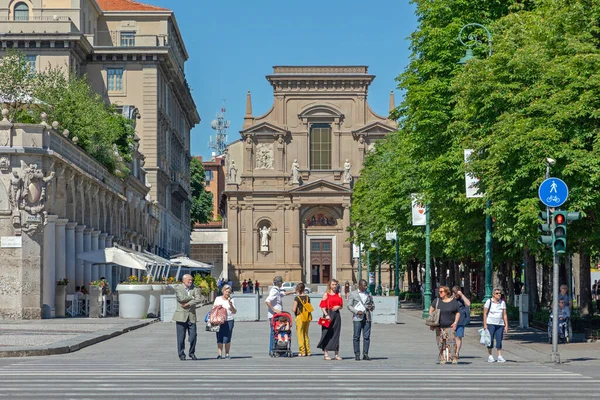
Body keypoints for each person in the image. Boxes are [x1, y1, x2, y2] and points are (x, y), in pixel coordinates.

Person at [172, 274, 202, 361]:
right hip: (181, 316)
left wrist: (189, 303)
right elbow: (181, 298)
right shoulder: (178, 288)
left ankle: (191, 352)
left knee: (193, 336)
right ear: (184, 280)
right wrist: (192, 297)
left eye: (191, 280)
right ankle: (181, 354)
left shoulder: (195, 288)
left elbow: (199, 299)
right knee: (181, 337)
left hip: (191, 315)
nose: (190, 281)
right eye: (189, 280)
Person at [429, 285, 460, 364]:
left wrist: (455, 322)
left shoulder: (453, 302)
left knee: (452, 343)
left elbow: (458, 312)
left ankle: (453, 358)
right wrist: (432, 323)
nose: (440, 293)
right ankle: (442, 358)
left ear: (447, 292)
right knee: (440, 343)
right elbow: (431, 311)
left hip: (450, 325)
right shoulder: (437, 301)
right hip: (439, 326)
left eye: (441, 291)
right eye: (439, 291)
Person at [347, 279, 374, 361]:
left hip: (367, 317)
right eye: (364, 285)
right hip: (357, 317)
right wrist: (356, 311)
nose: (366, 287)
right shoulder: (353, 294)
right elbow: (349, 305)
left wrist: (372, 307)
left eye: (366, 285)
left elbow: (372, 304)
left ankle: (365, 354)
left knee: (367, 337)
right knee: (356, 336)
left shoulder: (368, 294)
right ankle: (357, 354)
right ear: (360, 285)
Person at [317, 279, 343, 361]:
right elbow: (322, 306)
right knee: (326, 333)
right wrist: (326, 315)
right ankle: (326, 354)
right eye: (333, 284)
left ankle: (336, 354)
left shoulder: (339, 294)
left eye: (336, 284)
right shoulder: (326, 294)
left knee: (336, 333)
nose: (334, 286)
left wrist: (338, 307)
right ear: (329, 285)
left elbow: (341, 305)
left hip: (337, 315)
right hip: (328, 314)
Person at [265, 276, 292, 354]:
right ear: (279, 283)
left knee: (277, 331)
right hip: (274, 316)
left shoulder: (277, 290)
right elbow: (267, 301)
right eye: (282, 282)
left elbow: (283, 294)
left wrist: (293, 292)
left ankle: (277, 348)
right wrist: (274, 310)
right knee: (274, 332)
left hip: (277, 315)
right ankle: (272, 349)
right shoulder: (274, 291)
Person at [483, 288, 509, 363]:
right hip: (490, 323)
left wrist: (506, 325)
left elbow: (504, 315)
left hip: (500, 324)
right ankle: (490, 355)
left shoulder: (502, 303)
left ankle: (499, 356)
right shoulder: (489, 301)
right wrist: (485, 324)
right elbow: (485, 313)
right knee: (490, 340)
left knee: (499, 339)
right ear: (493, 294)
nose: (499, 295)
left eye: (500, 293)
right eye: (497, 293)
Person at [212, 284, 237, 359]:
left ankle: (227, 353)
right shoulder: (218, 299)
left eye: (229, 292)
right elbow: (213, 309)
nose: (227, 293)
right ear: (223, 291)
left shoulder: (231, 300)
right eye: (226, 292)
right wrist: (218, 307)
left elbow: (234, 311)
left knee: (227, 337)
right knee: (219, 336)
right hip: (219, 320)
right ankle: (219, 354)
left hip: (229, 320)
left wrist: (231, 305)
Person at [292, 283, 312, 356]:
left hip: (300, 317)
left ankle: (302, 351)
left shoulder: (297, 298)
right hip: (307, 317)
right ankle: (308, 351)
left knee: (300, 334)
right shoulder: (307, 297)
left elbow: (294, 309)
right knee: (306, 334)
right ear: (304, 289)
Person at [452, 286, 471, 360]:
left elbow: (468, 304)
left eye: (457, 294)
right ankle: (452, 351)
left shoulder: (462, 299)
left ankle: (457, 353)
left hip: (461, 321)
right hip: (451, 321)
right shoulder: (451, 299)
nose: (456, 296)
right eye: (455, 294)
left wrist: (462, 295)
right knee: (451, 337)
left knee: (458, 337)